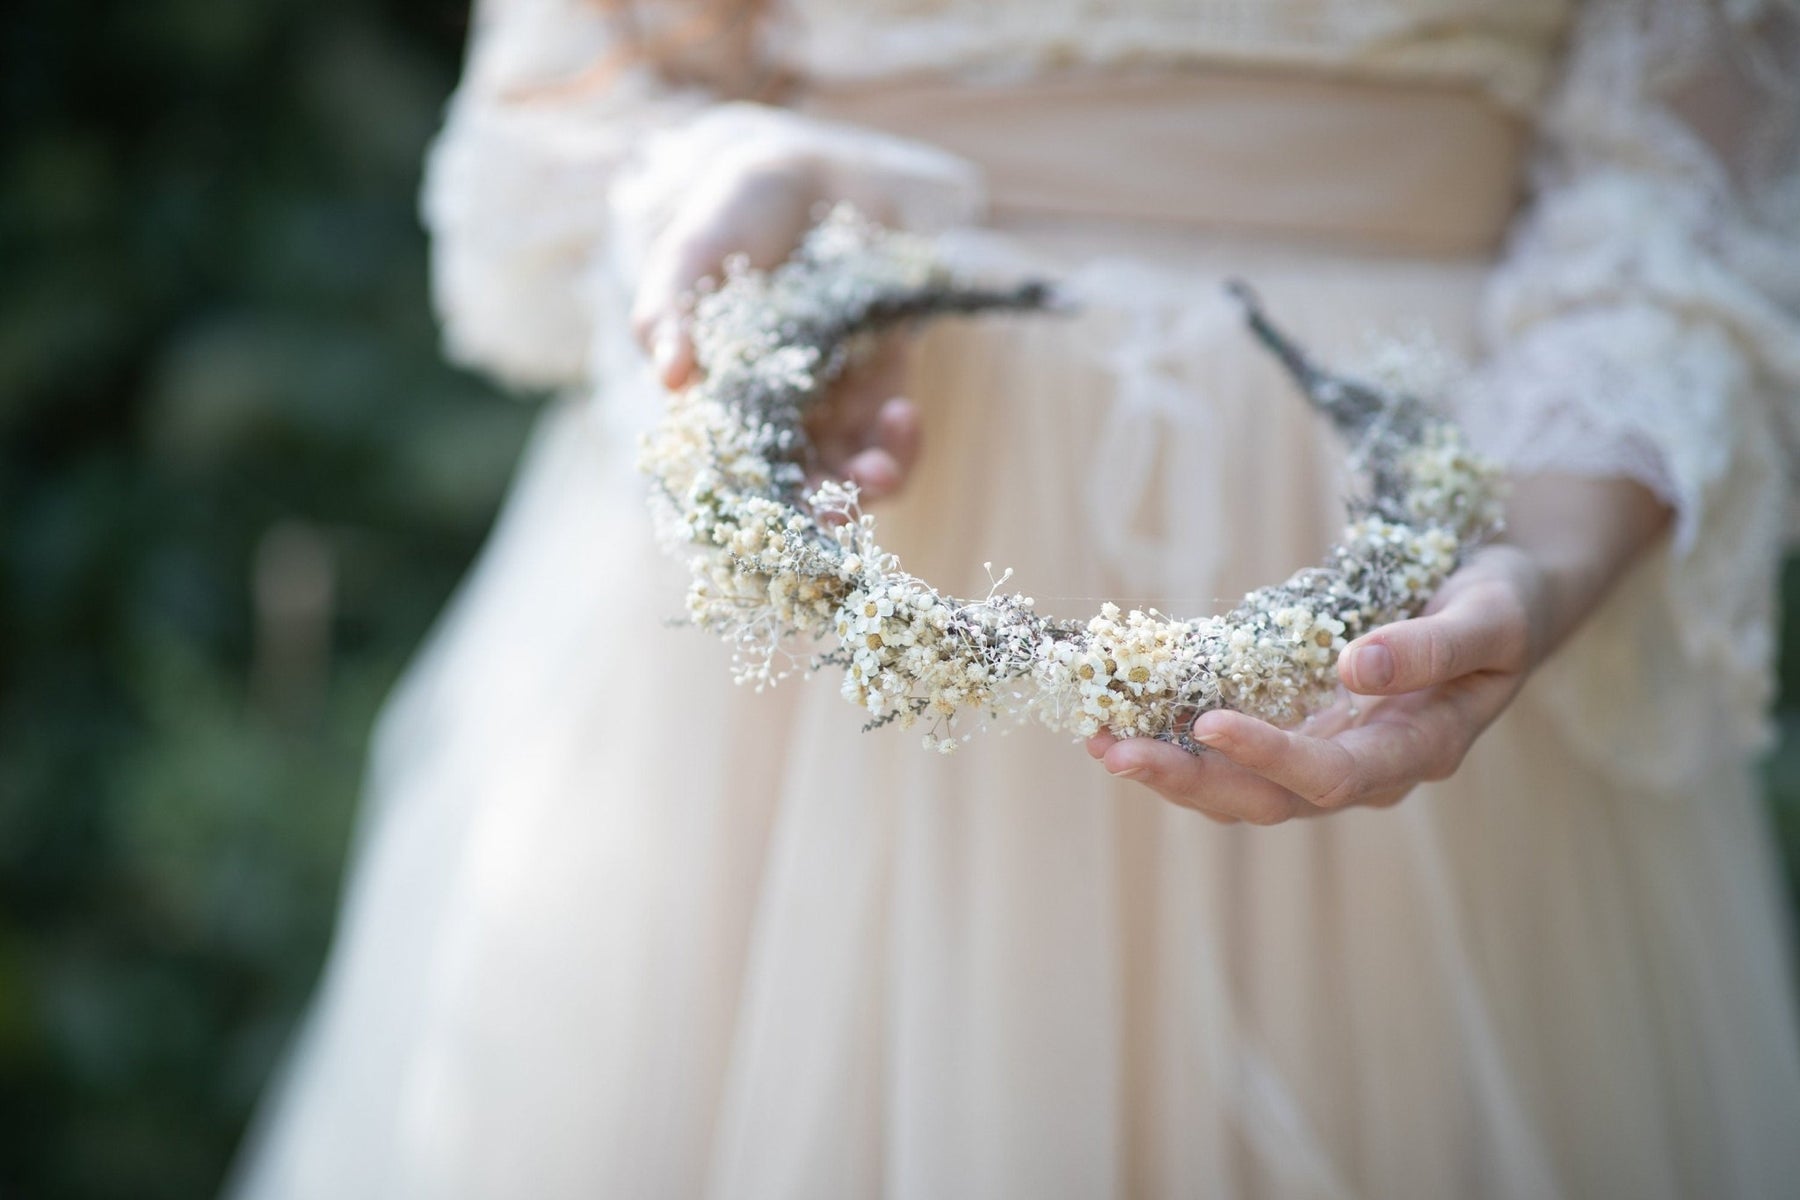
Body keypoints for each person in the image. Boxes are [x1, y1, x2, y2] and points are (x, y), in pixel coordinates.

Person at [231, 1, 1800, 1196]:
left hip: (1455, 540)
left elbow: (1690, 207)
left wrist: (1540, 557)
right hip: (817, 601)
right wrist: (736, 204)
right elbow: (564, 125)